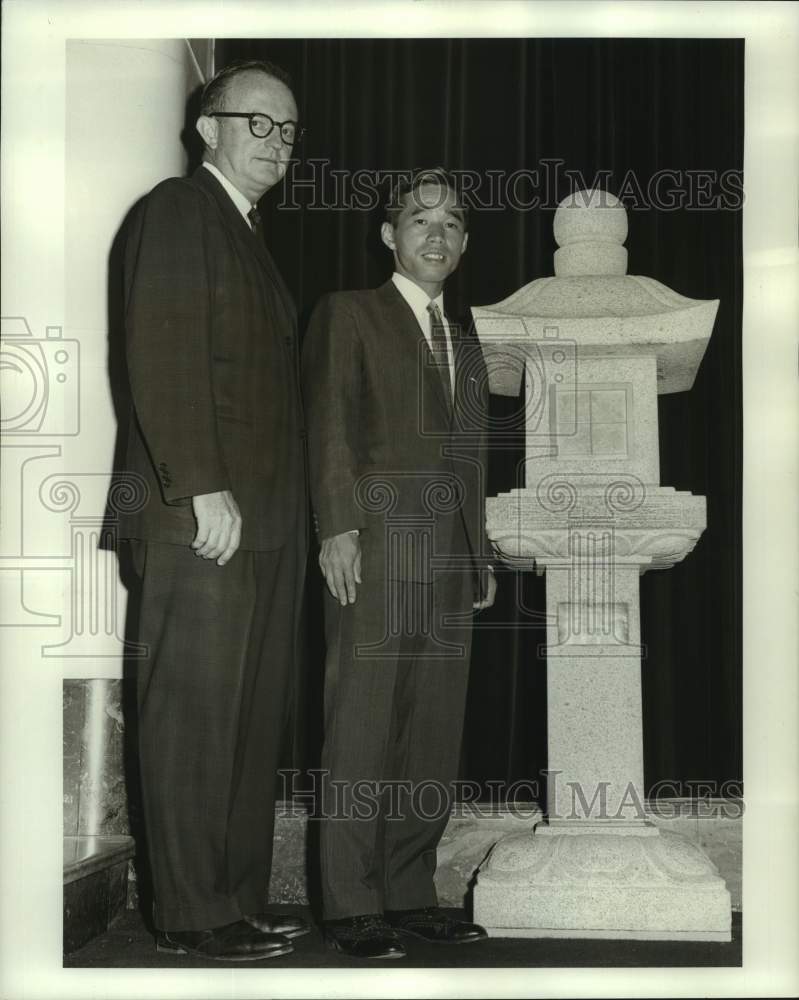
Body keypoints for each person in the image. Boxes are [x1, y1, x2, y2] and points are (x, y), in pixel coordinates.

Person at [120, 59, 308, 961]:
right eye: (257, 123)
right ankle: (191, 913)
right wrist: (197, 483)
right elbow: (160, 351)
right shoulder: (177, 210)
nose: (275, 143)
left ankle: (232, 898)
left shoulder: (247, 237)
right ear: (209, 128)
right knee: (193, 710)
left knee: (245, 713)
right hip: (202, 511)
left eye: (287, 130)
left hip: (263, 519)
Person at [302, 168, 497, 959]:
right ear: (390, 235)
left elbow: (473, 459)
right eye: (420, 220)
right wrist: (336, 528)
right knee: (361, 723)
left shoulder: (469, 338)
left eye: (452, 223)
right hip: (376, 550)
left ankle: (408, 890)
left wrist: (478, 554)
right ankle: (350, 903)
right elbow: (328, 425)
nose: (438, 234)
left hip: (450, 559)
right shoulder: (349, 314)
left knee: (431, 729)